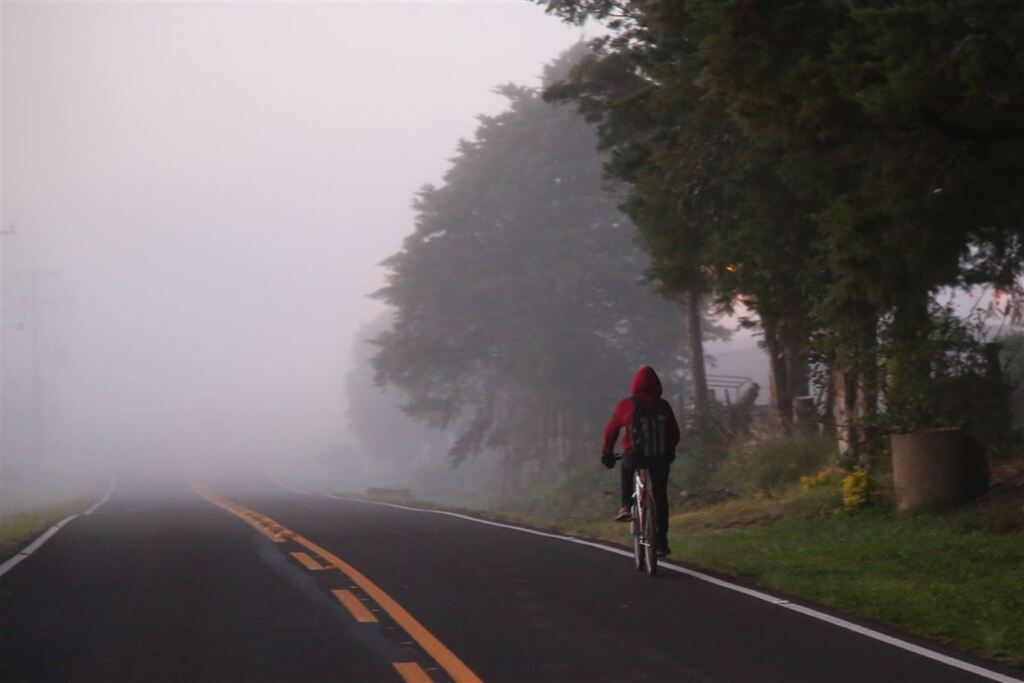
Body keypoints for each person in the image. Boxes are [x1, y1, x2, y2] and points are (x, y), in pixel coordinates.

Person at [600, 365, 680, 556]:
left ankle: (626, 507)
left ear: (635, 384)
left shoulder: (627, 404)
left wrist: (607, 453)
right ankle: (661, 542)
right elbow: (674, 433)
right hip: (660, 459)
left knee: (626, 470)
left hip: (634, 456)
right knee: (660, 496)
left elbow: (611, 431)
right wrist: (669, 451)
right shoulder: (664, 405)